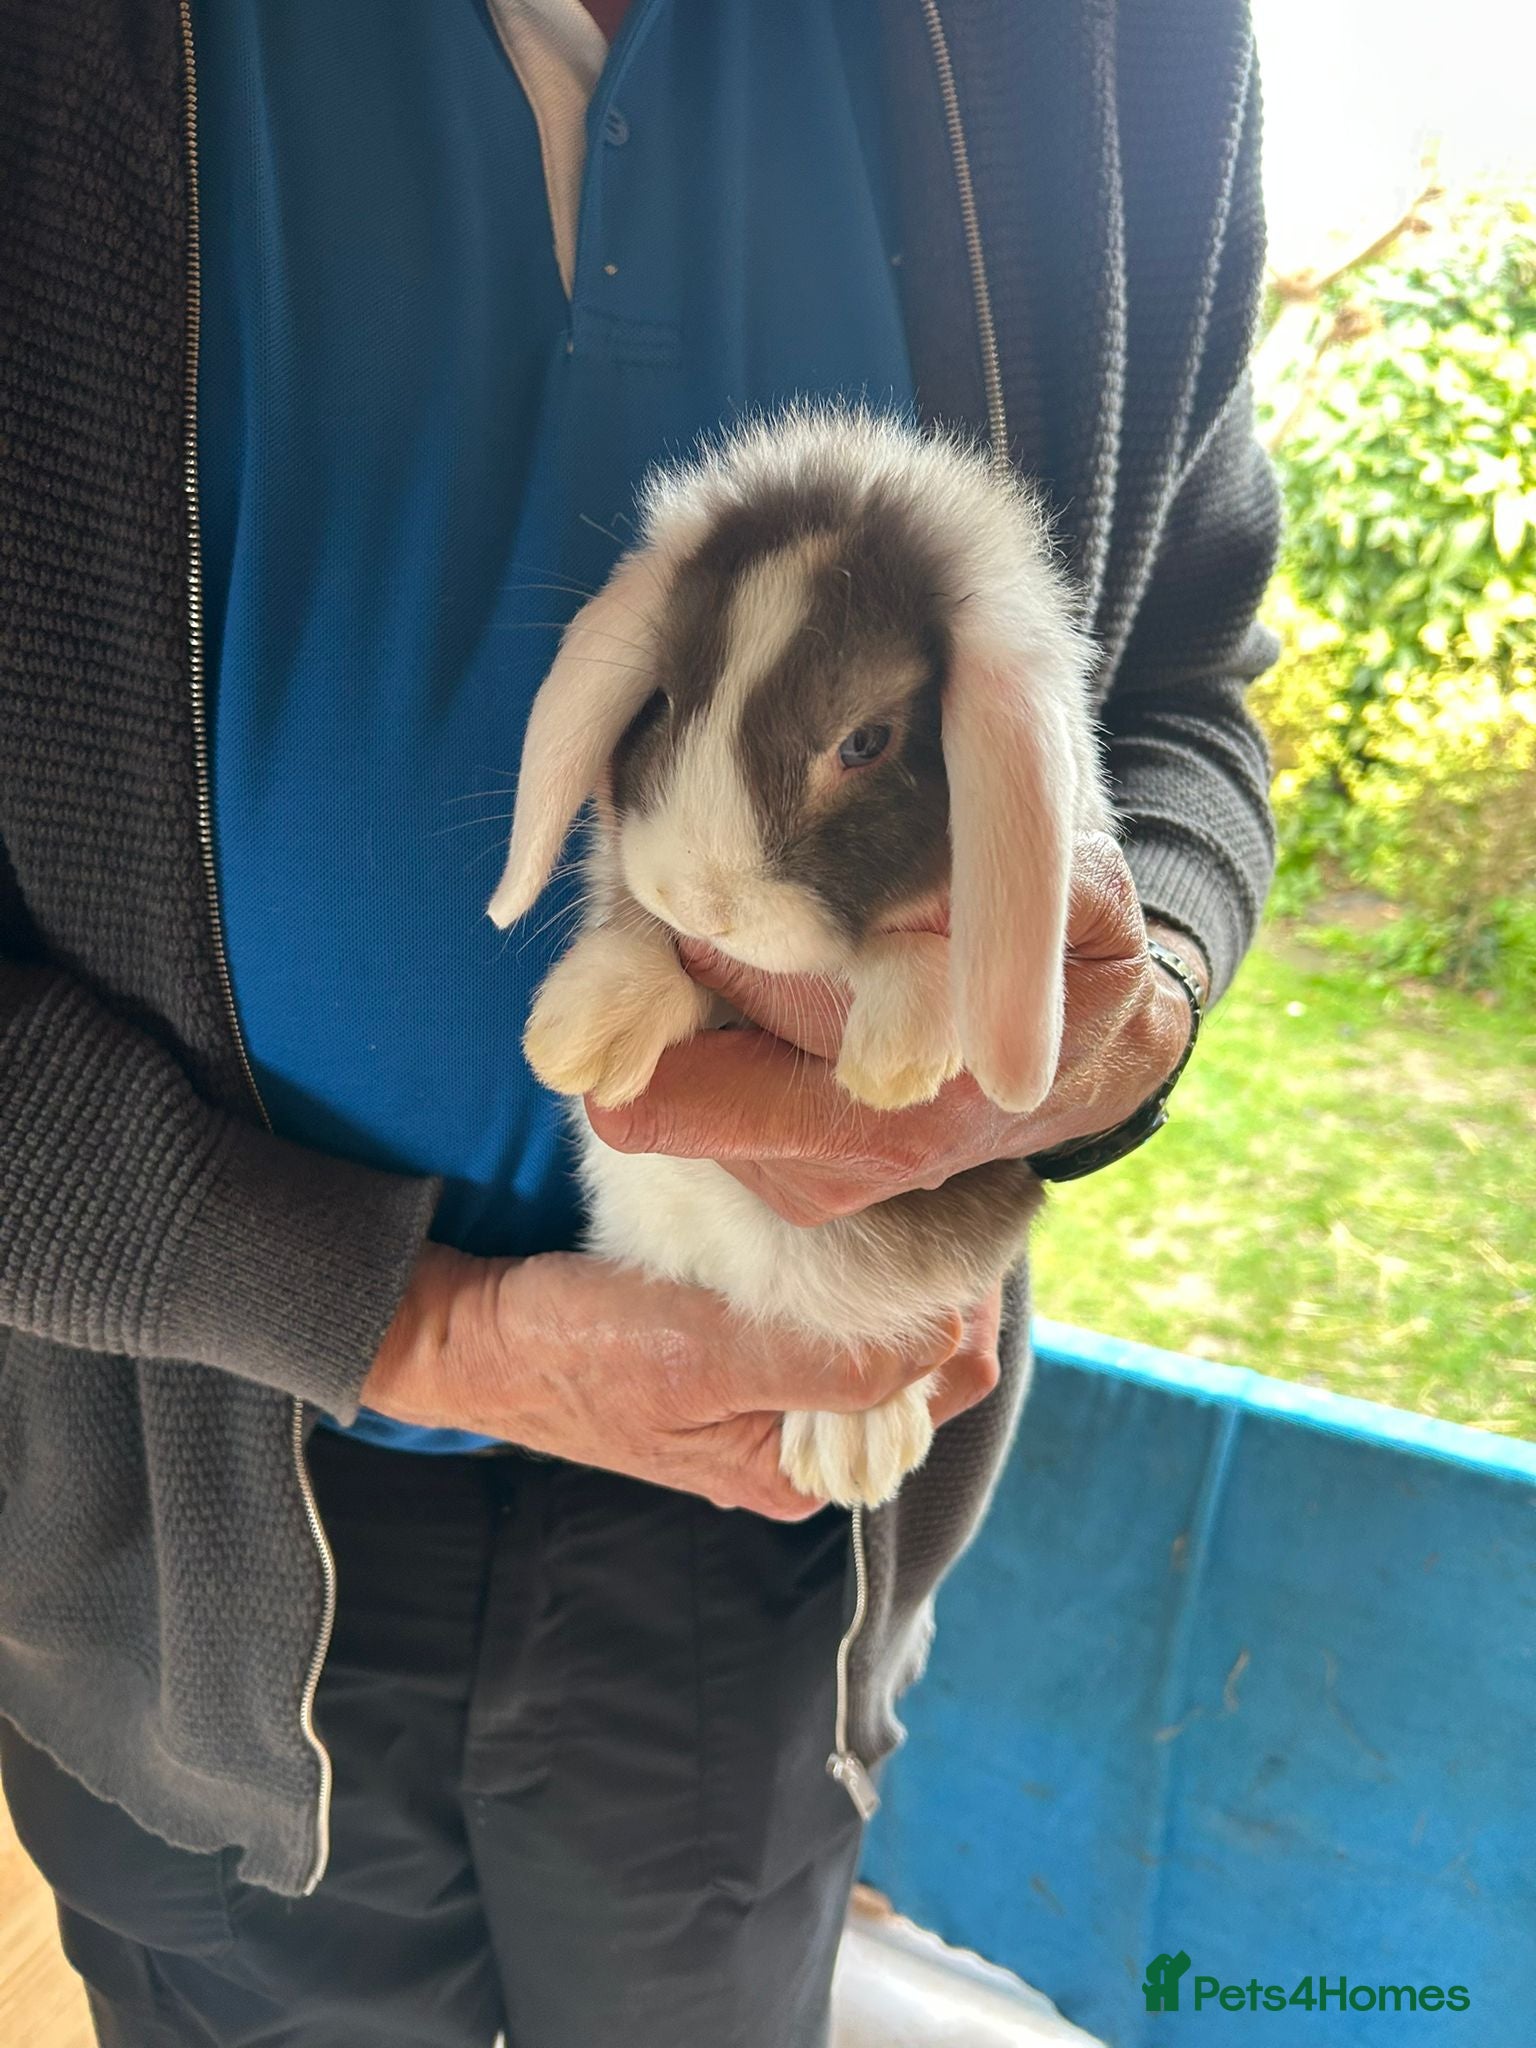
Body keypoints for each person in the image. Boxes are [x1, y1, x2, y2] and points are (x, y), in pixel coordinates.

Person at [0, 2, 1279, 2043]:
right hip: (185, 1530)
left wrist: (1135, 998)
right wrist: (421, 1324)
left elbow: (1193, 690)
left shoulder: (1119, 49)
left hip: (779, 1502)